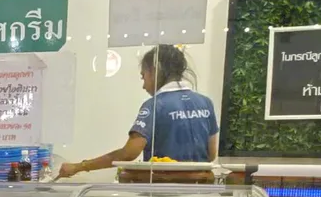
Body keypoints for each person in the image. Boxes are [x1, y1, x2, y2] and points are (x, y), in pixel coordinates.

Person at [60, 45, 218, 178]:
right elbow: (211, 154)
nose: (143, 86)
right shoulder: (205, 103)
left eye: (143, 77)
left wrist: (79, 167)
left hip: (164, 190)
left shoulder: (154, 105)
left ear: (154, 71)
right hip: (200, 189)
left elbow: (128, 153)